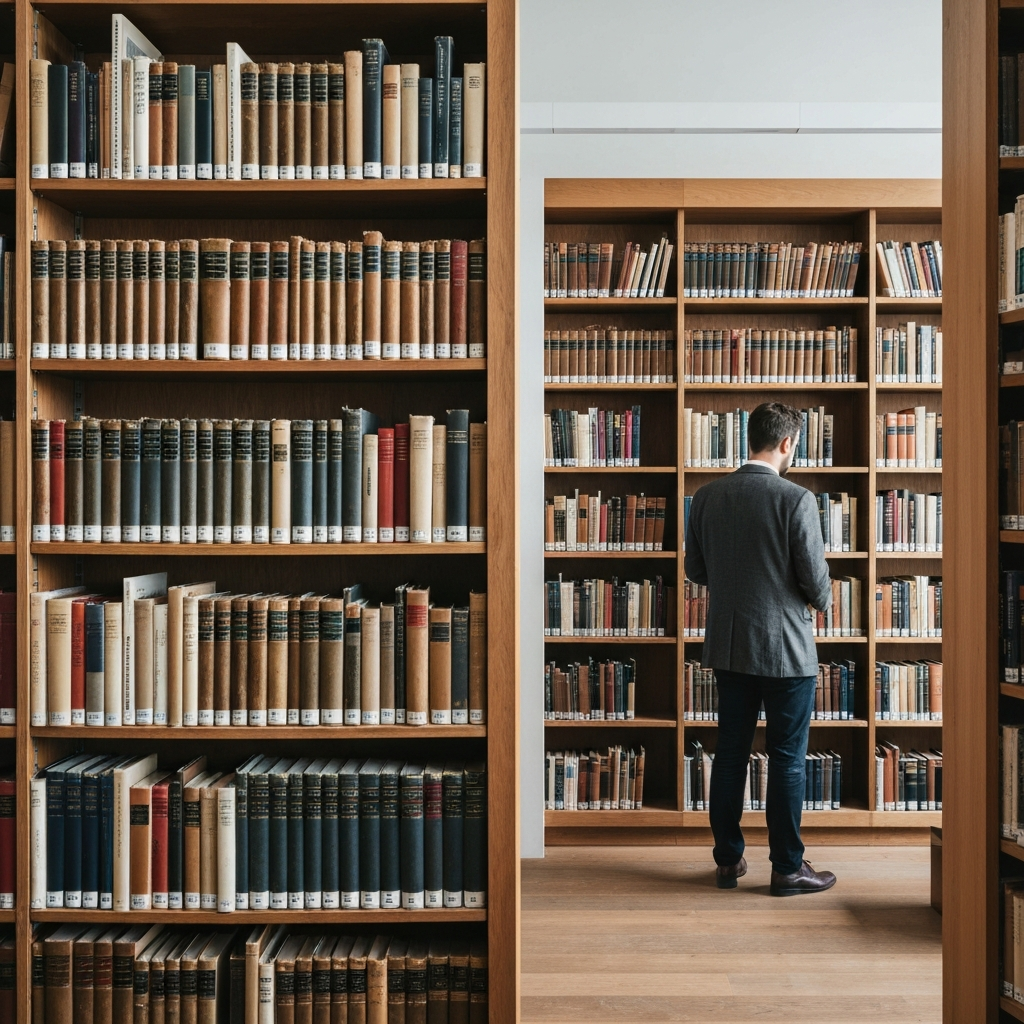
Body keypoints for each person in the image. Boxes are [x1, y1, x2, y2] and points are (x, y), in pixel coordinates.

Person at [684, 401, 837, 896]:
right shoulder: (796, 499)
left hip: (730, 648)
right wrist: (818, 596)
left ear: (750, 438)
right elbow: (817, 585)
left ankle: (728, 862)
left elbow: (696, 571)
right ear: (788, 443)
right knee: (788, 759)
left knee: (729, 755)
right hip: (788, 652)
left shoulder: (706, 497)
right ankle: (787, 869)